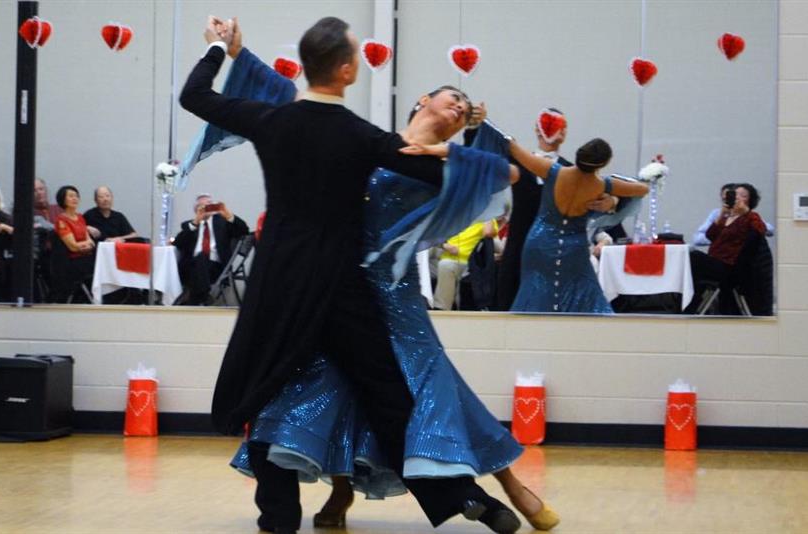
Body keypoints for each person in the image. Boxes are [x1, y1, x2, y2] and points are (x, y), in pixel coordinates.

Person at [181, 16, 518, 533]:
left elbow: (195, 96)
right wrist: (452, 151)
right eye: (356, 55)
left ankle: (278, 519)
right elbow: (442, 173)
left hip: (280, 281)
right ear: (343, 70)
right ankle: (460, 495)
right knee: (387, 393)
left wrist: (218, 51)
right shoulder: (361, 135)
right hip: (342, 286)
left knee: (272, 392)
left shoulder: (273, 120)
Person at [228, 88, 559, 532]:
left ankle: (511, 487)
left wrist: (442, 150)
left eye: (464, 107)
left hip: (396, 293)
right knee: (329, 387)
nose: (459, 106)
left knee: (435, 387)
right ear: (423, 100)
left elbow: (510, 174)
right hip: (341, 288)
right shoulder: (370, 143)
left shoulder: (446, 163)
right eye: (451, 98)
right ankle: (340, 491)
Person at [509, 138, 649, 313]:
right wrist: (613, 198)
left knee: (533, 293)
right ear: (602, 164)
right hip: (574, 249)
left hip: (539, 243)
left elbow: (513, 148)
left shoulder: (552, 171)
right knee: (587, 298)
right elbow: (642, 189)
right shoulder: (602, 185)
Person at [688, 183, 769, 311]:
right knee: (690, 257)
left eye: (743, 195)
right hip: (716, 262)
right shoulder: (727, 217)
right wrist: (722, 215)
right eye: (735, 194)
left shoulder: (750, 217)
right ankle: (689, 302)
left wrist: (746, 212)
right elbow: (710, 235)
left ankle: (692, 304)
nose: (737, 197)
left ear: (749, 200)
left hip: (730, 266)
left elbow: (761, 231)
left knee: (694, 257)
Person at [173, 194, 249, 305]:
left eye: (209, 204)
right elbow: (178, 244)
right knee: (199, 259)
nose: (207, 207)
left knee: (202, 257)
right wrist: (195, 222)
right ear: (196, 210)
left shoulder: (222, 222)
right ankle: (203, 297)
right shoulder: (190, 225)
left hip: (216, 267)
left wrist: (228, 215)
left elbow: (244, 231)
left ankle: (193, 300)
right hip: (189, 267)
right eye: (203, 206)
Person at [433, 218, 499, 310]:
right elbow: (434, 236)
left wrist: (489, 213)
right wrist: (445, 245)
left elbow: (488, 233)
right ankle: (439, 307)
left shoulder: (488, 219)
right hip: (446, 256)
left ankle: (445, 308)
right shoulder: (455, 216)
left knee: (446, 265)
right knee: (443, 264)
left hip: (472, 262)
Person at [692, 182, 775, 247]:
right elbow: (698, 238)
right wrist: (724, 237)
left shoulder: (750, 216)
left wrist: (745, 213)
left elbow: (769, 230)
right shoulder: (717, 214)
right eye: (725, 199)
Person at [52, 185, 95, 302]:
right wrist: (85, 245)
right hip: (72, 262)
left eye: (76, 196)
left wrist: (84, 245)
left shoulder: (81, 217)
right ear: (63, 200)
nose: (75, 198)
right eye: (71, 196)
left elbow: (91, 242)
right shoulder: (62, 220)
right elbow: (73, 247)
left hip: (86, 257)